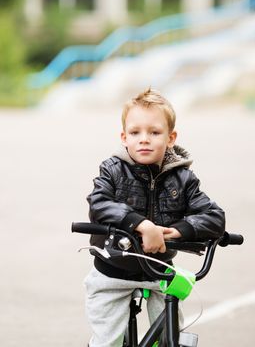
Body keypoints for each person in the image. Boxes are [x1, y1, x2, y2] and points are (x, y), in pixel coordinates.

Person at [84, 88, 225, 346]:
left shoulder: (183, 179)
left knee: (170, 335)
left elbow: (214, 216)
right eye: (135, 132)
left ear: (171, 138)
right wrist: (140, 224)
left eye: (155, 132)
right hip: (113, 270)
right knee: (108, 341)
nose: (144, 139)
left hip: (160, 271)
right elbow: (99, 203)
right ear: (124, 137)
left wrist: (182, 229)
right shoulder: (112, 169)